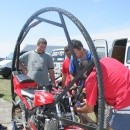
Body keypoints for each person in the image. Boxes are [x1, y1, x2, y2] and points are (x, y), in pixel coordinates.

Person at [76, 57, 130, 130]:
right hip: (126, 98)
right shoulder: (106, 60)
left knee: (112, 126)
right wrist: (92, 98)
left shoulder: (91, 77)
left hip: (125, 103)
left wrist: (77, 109)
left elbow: (89, 109)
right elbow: (110, 86)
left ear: (85, 73)